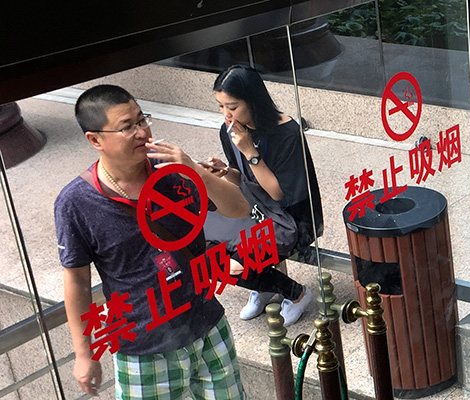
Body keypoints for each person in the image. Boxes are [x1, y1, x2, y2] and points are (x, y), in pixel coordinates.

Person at [55, 84, 248, 399]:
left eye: (141, 119)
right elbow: (76, 279)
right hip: (141, 350)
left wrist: (194, 170)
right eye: (126, 127)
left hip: (207, 326)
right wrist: (84, 353)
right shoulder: (75, 203)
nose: (142, 132)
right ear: (95, 140)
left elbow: (238, 209)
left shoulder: (170, 169)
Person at [203, 65, 323, 327]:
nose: (226, 114)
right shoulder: (229, 131)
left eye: (232, 107)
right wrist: (226, 172)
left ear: (253, 101)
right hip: (255, 208)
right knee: (204, 249)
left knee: (233, 263)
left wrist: (250, 152)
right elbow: (245, 181)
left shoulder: (287, 132)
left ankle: (296, 293)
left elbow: (278, 193)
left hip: (290, 217)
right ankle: (267, 286)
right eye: (221, 106)